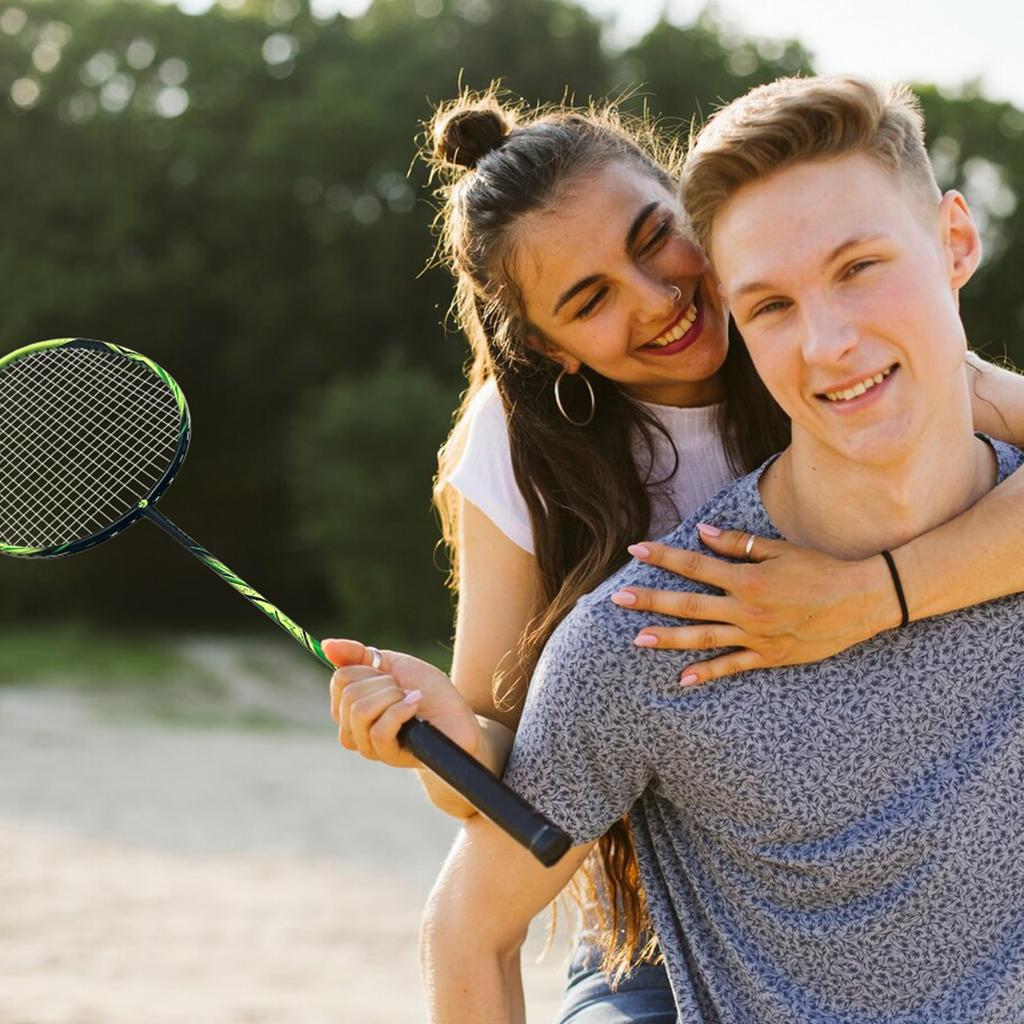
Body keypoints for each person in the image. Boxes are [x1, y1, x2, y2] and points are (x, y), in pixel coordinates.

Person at [325, 85, 1024, 1019]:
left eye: (656, 239)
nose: (659, 300)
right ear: (552, 347)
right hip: (658, 921)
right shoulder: (521, 453)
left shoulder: (855, 350)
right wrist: (450, 743)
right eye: (591, 301)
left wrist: (869, 596)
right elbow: (524, 766)